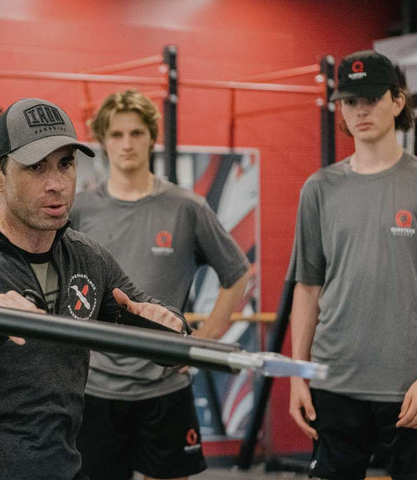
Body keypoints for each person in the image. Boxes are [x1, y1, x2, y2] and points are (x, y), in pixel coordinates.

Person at [0, 98, 189, 480]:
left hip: (59, 468)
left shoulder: (88, 258)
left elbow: (148, 317)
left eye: (66, 164)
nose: (56, 184)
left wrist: (170, 328)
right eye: (36, 168)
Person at [287, 50, 417, 480]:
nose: (360, 109)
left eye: (371, 97)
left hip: (409, 388)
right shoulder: (319, 188)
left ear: (397, 101)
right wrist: (298, 376)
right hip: (334, 385)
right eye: (350, 101)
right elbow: (308, 289)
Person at [71, 89, 252, 480]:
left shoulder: (186, 207)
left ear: (151, 137)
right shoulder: (81, 209)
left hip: (164, 387)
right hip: (96, 389)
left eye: (136, 133)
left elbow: (237, 275)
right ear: (102, 140)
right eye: (116, 134)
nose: (126, 143)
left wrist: (200, 346)